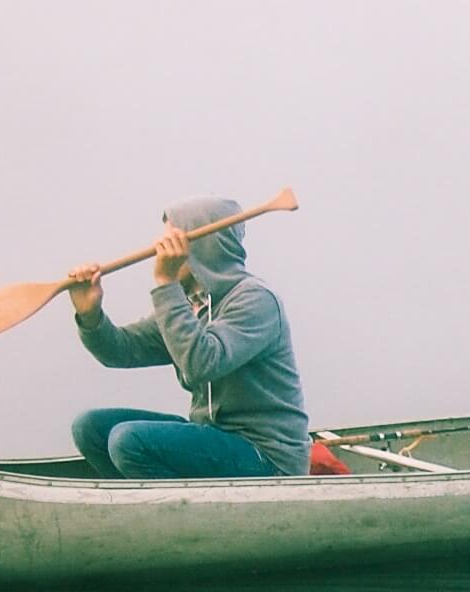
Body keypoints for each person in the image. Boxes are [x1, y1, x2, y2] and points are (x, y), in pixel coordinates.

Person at [67, 197, 311, 478]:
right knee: (90, 428)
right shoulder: (190, 304)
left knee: (128, 440)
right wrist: (90, 315)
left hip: (266, 455)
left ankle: (175, 515)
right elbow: (120, 351)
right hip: (213, 438)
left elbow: (201, 364)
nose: (159, 251)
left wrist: (166, 284)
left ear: (200, 247)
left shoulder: (255, 299)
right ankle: (142, 507)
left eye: (171, 242)